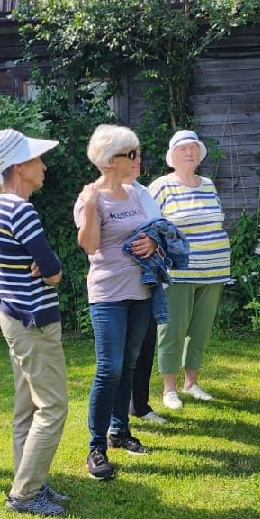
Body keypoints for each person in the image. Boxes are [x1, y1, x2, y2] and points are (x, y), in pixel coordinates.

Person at [0, 129, 72, 516]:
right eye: (38, 160)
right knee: (53, 408)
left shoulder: (1, 207)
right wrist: (51, 274)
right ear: (19, 167)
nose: (45, 167)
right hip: (34, 321)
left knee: (27, 410)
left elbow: (43, 264)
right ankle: (26, 494)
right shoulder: (21, 209)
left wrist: (46, 269)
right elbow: (51, 269)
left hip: (15, 318)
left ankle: (31, 481)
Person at [74, 124, 160, 481]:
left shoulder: (136, 193)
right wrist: (92, 206)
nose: (139, 159)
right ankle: (96, 446)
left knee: (129, 363)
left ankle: (119, 431)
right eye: (132, 154)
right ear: (111, 160)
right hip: (108, 292)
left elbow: (155, 229)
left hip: (141, 289)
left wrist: (154, 244)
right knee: (109, 367)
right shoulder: (90, 197)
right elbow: (90, 245)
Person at [147, 129, 231, 411]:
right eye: (183, 149)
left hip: (214, 270)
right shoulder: (161, 186)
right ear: (172, 156)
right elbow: (148, 227)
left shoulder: (208, 184)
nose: (189, 152)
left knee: (200, 329)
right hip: (179, 272)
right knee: (172, 329)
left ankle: (192, 383)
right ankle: (169, 389)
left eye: (194, 148)